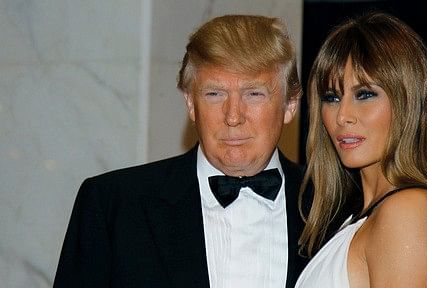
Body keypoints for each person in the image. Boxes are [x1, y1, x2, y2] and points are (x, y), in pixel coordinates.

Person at [53, 14, 308, 288]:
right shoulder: (113, 206)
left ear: (290, 104)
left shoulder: (335, 206)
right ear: (190, 103)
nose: (233, 116)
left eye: (254, 94)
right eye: (215, 94)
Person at [294, 12, 427, 288]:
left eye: (365, 94)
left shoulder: (408, 211)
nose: (342, 116)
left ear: (408, 103)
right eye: (332, 97)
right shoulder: (366, 217)